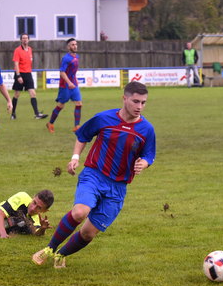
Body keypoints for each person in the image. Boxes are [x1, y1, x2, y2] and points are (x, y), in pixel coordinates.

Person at [32, 81, 156, 268]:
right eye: (136, 101)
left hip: (118, 187)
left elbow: (149, 154)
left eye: (143, 102)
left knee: (88, 233)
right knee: (80, 212)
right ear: (124, 98)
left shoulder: (147, 129)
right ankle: (49, 248)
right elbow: (83, 136)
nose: (140, 107)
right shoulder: (104, 118)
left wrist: (144, 163)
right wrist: (75, 157)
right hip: (94, 175)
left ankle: (61, 254)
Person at [46, 38, 81, 133]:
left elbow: (73, 72)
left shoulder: (77, 57)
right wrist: (69, 82)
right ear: (68, 47)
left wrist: (74, 81)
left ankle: (77, 126)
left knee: (79, 104)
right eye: (72, 45)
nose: (75, 46)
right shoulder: (66, 58)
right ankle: (50, 123)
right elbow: (62, 72)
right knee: (61, 105)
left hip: (73, 84)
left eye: (76, 44)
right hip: (65, 85)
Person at [10, 33, 48, 120]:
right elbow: (16, 64)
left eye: (26, 38)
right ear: (21, 40)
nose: (25, 40)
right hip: (20, 74)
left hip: (28, 74)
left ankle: (37, 114)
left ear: (29, 40)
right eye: (23, 38)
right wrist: (18, 76)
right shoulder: (17, 50)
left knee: (33, 93)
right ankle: (13, 113)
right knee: (17, 94)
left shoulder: (30, 49)